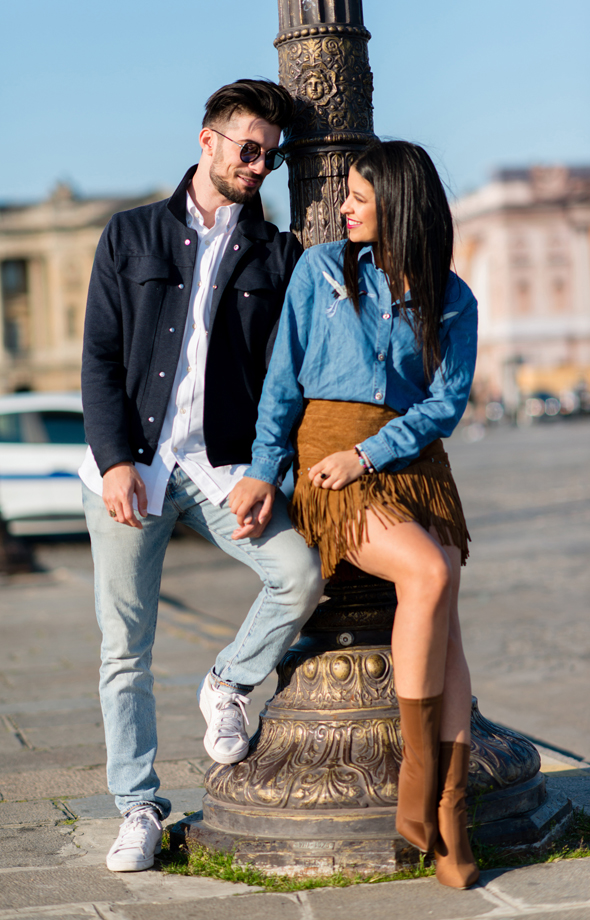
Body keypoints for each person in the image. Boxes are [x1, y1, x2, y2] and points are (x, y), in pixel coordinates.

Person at [79, 79, 325, 873]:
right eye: (247, 149)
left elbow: (283, 376)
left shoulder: (278, 254)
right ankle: (139, 804)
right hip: (134, 468)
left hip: (223, 469)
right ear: (207, 141)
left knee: (298, 572)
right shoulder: (130, 236)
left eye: (270, 156)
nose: (258, 165)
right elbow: (101, 358)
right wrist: (117, 462)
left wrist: (266, 470)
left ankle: (229, 680)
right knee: (125, 648)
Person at [228, 140, 480, 889]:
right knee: (430, 572)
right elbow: (283, 380)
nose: (343, 208)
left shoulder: (452, 295)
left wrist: (379, 454)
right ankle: (421, 775)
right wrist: (265, 472)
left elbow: (445, 404)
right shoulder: (319, 270)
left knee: (446, 608)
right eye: (344, 196)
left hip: (411, 463)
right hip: (333, 459)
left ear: (398, 204)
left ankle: (453, 813)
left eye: (358, 197)